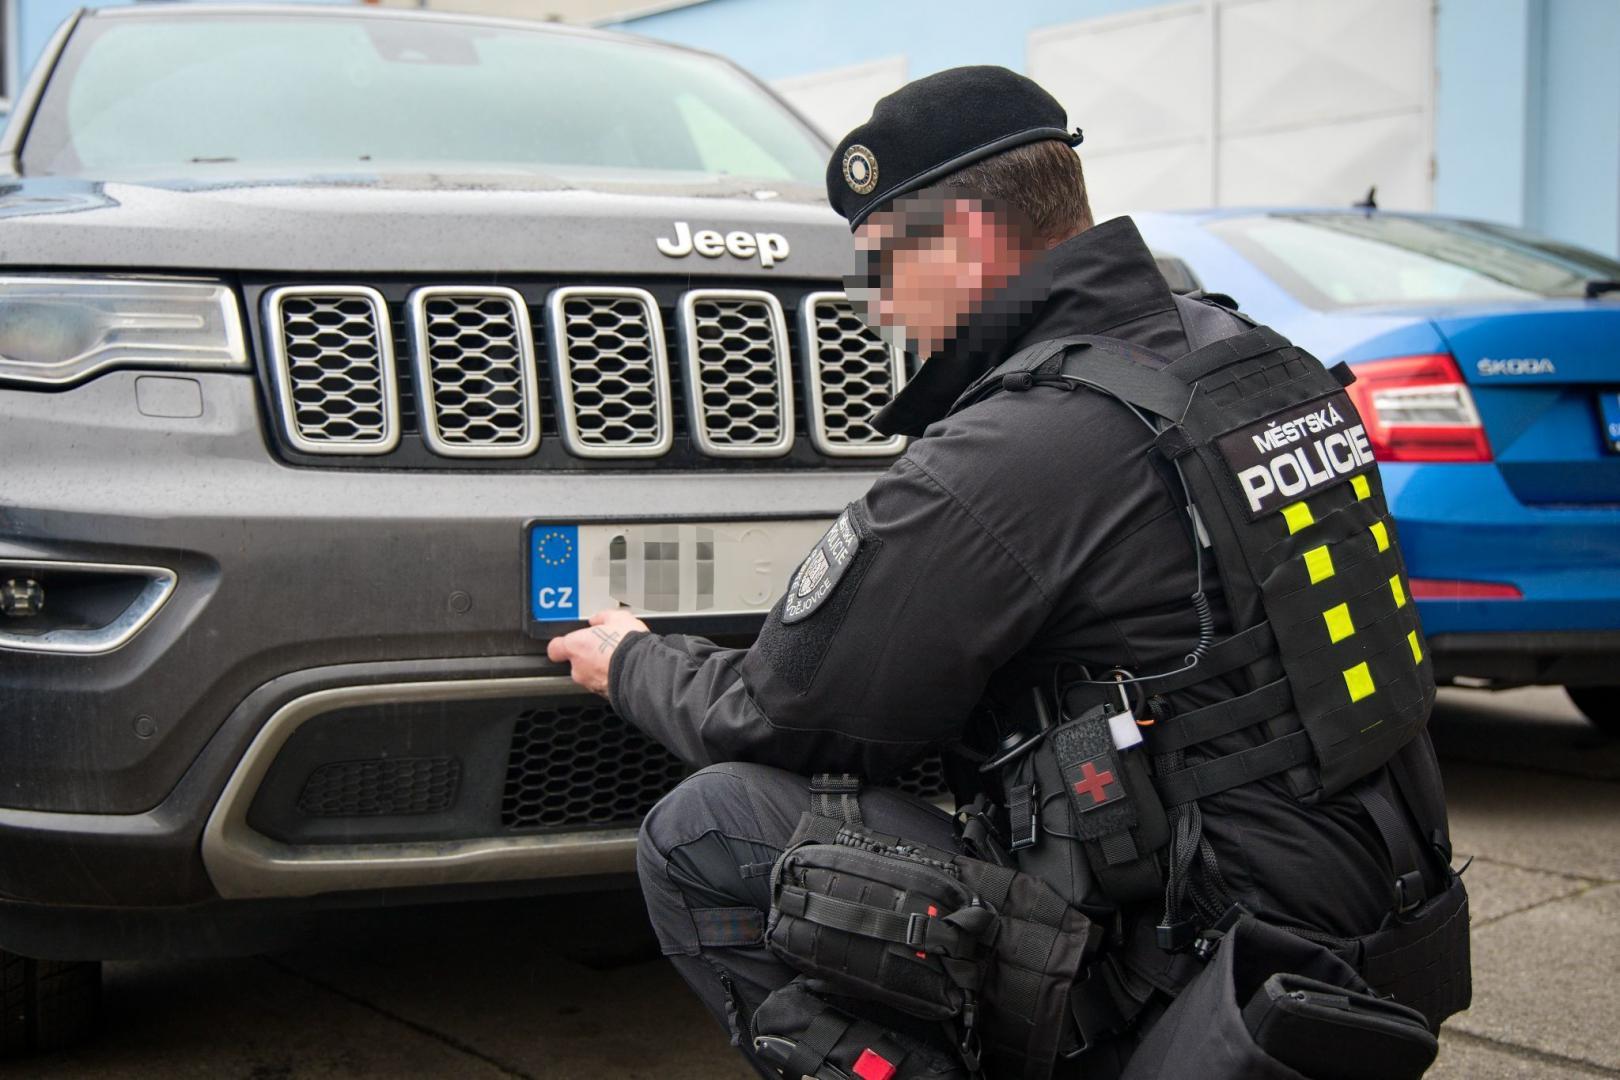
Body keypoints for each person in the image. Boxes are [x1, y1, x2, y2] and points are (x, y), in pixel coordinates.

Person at [547, 66, 1464, 1079]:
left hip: (1194, 978)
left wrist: (633, 660)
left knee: (705, 828)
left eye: (881, 268)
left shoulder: (1022, 443)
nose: (879, 311)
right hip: (1375, 933)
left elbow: (786, 710)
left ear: (969, 239)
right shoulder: (1252, 355)